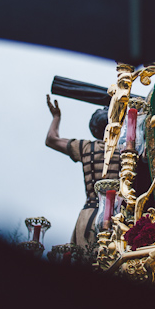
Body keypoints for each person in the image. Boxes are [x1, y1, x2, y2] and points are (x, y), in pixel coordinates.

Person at [45, 94, 119, 246]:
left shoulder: (85, 147)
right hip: (118, 217)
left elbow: (51, 139)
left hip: (89, 216)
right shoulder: (127, 150)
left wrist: (56, 117)